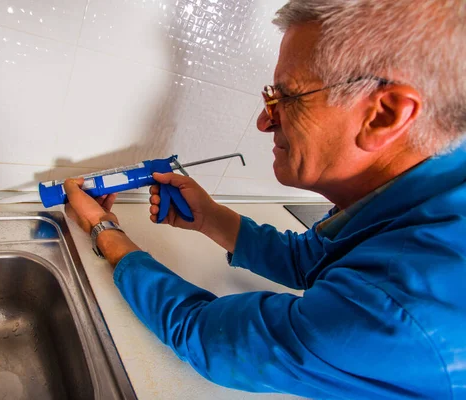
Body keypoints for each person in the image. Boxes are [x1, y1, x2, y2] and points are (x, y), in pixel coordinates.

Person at [63, 0, 466, 398]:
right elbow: (314, 259)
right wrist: (211, 218)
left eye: (287, 97)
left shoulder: (402, 308)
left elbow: (209, 339)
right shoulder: (435, 185)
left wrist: (104, 231)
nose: (264, 121)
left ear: (383, 116)